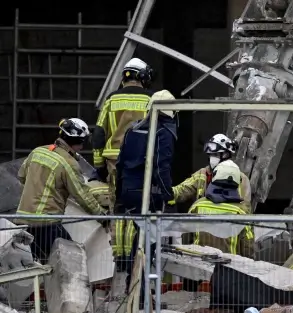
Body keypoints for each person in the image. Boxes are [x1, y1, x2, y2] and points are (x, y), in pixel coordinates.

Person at [16, 118, 107, 261]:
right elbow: (82, 195)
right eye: (81, 143)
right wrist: (103, 217)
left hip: (22, 221)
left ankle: (41, 284)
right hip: (46, 223)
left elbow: (21, 176)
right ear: (76, 141)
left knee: (37, 264)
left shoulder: (38, 152)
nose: (81, 148)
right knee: (70, 258)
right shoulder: (68, 163)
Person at [115, 89, 178, 286]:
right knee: (147, 242)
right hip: (147, 193)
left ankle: (134, 285)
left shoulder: (133, 129)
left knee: (140, 238)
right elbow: (161, 167)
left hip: (129, 191)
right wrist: (169, 195)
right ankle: (139, 290)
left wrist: (119, 195)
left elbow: (119, 163)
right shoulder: (164, 132)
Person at [92, 57, 153, 207]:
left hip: (114, 160)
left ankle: (117, 229)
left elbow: (99, 133)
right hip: (142, 160)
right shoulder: (151, 100)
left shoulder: (112, 99)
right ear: (143, 76)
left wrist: (99, 166)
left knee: (117, 203)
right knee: (140, 204)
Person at [185, 160, 254, 257]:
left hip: (199, 263)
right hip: (230, 267)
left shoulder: (197, 205)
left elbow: (186, 236)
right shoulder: (241, 211)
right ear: (238, 181)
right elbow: (247, 245)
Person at [172, 133, 253, 213]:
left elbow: (244, 208)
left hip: (228, 222)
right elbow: (183, 189)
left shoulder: (240, 178)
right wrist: (168, 192)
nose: (212, 158)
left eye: (215, 154)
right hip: (204, 221)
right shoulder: (203, 174)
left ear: (226, 155)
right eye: (210, 155)